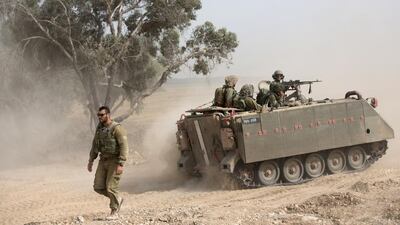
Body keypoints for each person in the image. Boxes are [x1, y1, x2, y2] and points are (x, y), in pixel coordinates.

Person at [87, 106, 129, 220]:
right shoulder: (100, 128)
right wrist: (91, 160)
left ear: (108, 115)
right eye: (98, 115)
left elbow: (124, 146)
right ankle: (117, 199)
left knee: (111, 187)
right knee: (98, 187)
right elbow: (95, 144)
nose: (99, 117)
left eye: (101, 115)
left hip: (114, 160)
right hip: (103, 160)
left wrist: (121, 163)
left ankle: (114, 211)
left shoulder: (117, 128)